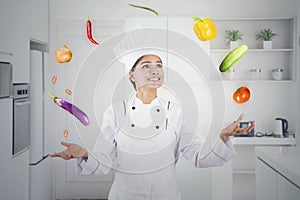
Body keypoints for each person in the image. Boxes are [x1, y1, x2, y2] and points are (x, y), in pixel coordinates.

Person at [51, 53, 255, 200]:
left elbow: (197, 155)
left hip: (165, 195)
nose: (155, 70)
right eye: (146, 66)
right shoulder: (116, 111)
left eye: (159, 65)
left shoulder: (174, 111)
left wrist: (222, 137)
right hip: (125, 195)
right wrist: (84, 154)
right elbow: (103, 161)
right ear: (132, 75)